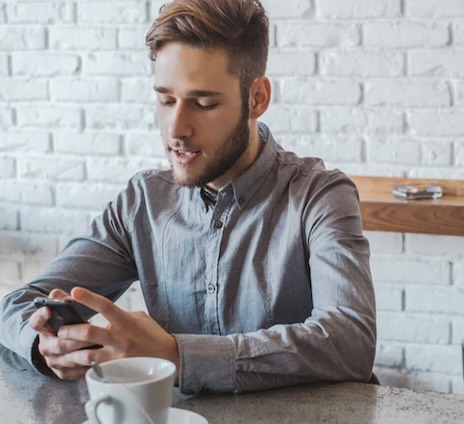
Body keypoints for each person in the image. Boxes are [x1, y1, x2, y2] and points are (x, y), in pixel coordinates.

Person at [0, 0, 376, 395]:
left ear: (257, 98)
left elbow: (350, 340)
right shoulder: (142, 203)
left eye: (204, 103)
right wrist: (46, 344)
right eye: (165, 99)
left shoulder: (320, 196)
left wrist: (176, 355)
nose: (177, 128)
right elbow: (18, 304)